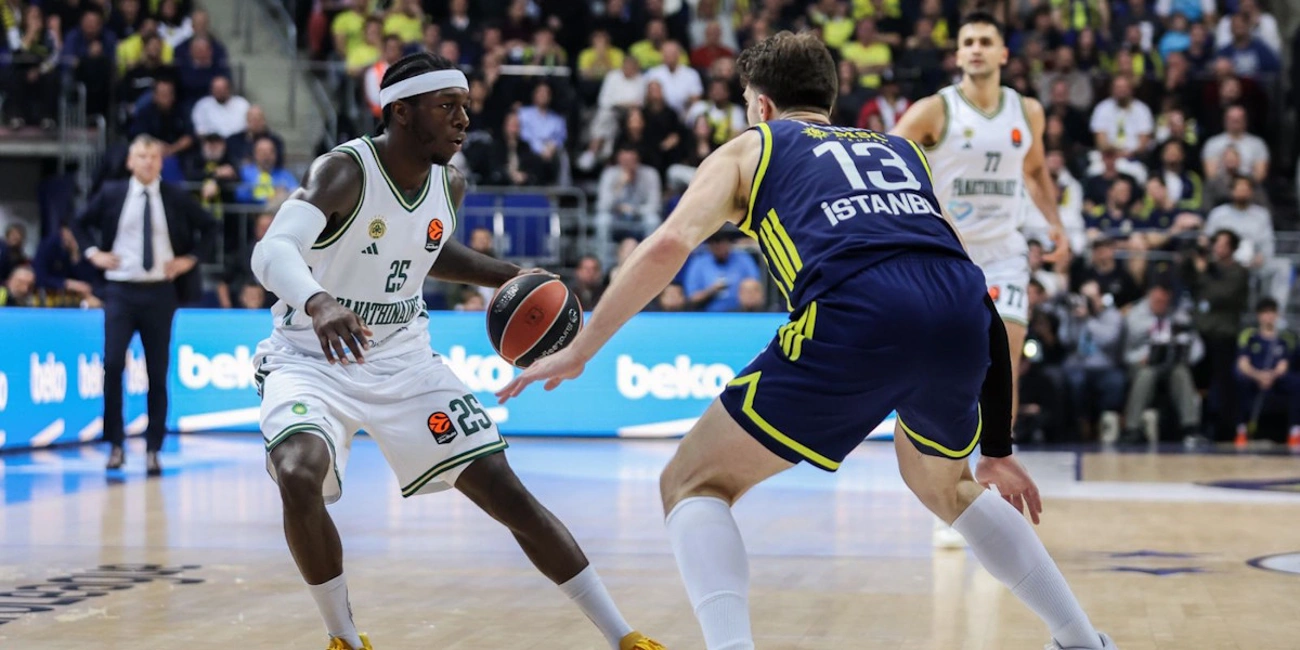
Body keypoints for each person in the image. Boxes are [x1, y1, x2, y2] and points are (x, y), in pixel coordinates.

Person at [497, 32, 1115, 650]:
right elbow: (975, 290)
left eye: (747, 103)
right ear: (829, 100)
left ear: (762, 105)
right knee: (947, 484)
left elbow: (668, 245)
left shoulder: (753, 146)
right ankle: (1081, 640)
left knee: (692, 483)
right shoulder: (900, 151)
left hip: (857, 312)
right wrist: (997, 448)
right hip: (958, 315)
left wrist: (584, 347)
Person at [247, 53, 663, 650]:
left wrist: (510, 275)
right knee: (297, 472)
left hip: (405, 361)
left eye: (465, 106)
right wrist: (317, 301)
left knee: (505, 491)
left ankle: (624, 636)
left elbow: (427, 248)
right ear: (401, 112)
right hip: (311, 359)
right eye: (447, 107)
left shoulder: (451, 183)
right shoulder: (345, 171)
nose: (464, 120)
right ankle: (344, 637)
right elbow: (271, 251)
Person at [891, 11, 1071, 550]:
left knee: (1005, 361)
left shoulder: (1027, 110)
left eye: (984, 41)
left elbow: (1034, 171)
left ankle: (991, 471)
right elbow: (889, 155)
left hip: (1005, 253)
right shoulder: (936, 109)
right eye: (967, 41)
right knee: (953, 371)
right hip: (949, 253)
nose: (974, 48)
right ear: (957, 54)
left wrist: (1056, 224)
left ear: (1002, 53)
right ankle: (950, 489)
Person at [72, 134, 216, 475]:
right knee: (112, 364)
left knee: (157, 372)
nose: (148, 162)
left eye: (153, 156)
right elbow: (79, 222)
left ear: (160, 161)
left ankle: (153, 448)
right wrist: (93, 253)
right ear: (129, 161)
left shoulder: (175, 196)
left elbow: (211, 227)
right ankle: (115, 444)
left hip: (160, 293)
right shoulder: (112, 193)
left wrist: (189, 259)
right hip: (120, 291)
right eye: (141, 156)